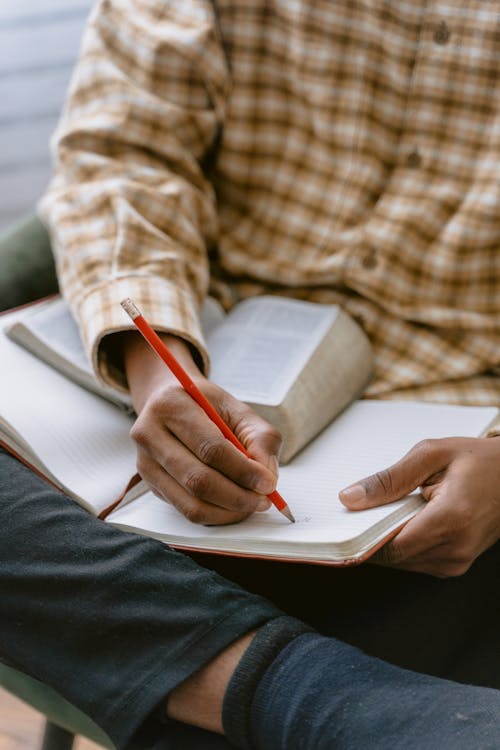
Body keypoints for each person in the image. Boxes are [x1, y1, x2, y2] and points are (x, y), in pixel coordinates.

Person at [1, 1, 500, 747]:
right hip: (202, 344)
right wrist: (156, 364)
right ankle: (325, 700)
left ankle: (264, 688)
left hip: (451, 489)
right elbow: (124, 156)